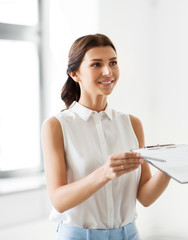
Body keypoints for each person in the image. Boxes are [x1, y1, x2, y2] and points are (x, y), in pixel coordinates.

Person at [41, 33, 171, 240]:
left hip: (128, 234)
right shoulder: (56, 126)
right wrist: (104, 173)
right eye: (96, 64)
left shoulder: (132, 124)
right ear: (75, 74)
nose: (108, 72)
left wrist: (168, 170)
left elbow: (145, 197)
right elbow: (58, 200)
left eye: (113, 63)